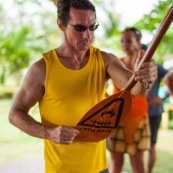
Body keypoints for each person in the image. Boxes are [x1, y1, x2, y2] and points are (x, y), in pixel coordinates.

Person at [8, 1, 157, 173]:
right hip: (60, 169)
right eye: (79, 28)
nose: (87, 35)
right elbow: (15, 113)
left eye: (92, 27)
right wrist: (48, 133)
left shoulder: (105, 60)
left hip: (99, 168)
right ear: (61, 25)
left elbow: (136, 88)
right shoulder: (43, 68)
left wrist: (145, 78)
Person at [107, 27, 151, 173]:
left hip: (137, 117)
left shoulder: (145, 65)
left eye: (129, 41)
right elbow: (104, 89)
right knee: (116, 163)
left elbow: (145, 90)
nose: (124, 44)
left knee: (137, 164)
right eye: (122, 41)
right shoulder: (116, 63)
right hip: (117, 118)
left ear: (138, 42)